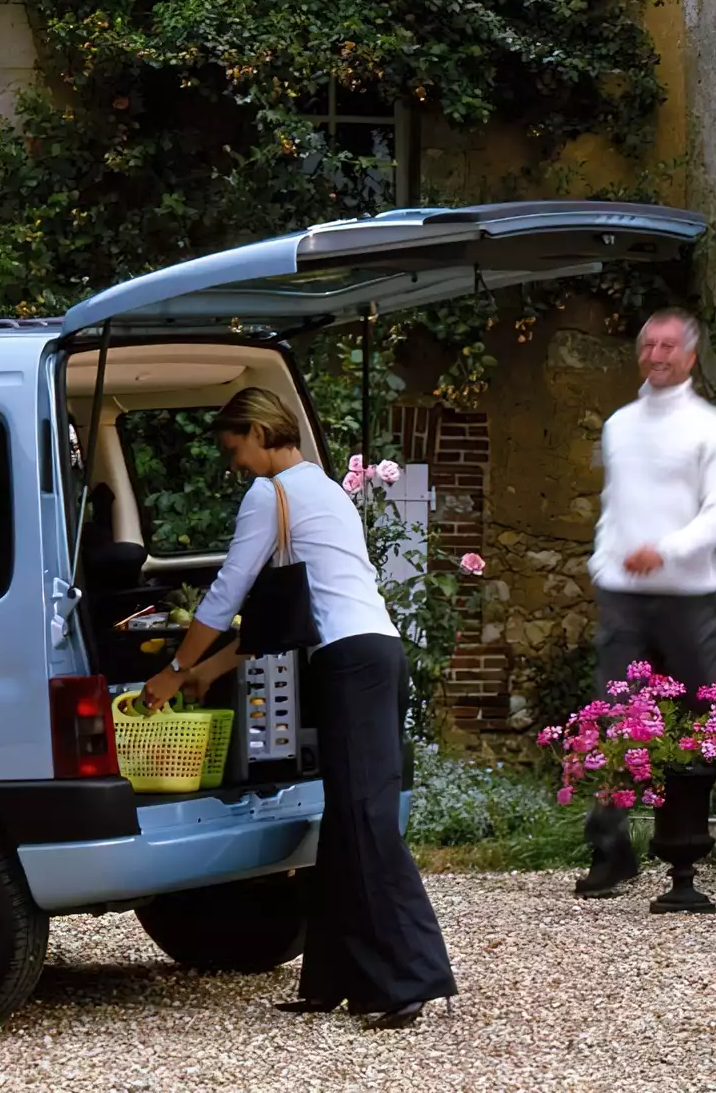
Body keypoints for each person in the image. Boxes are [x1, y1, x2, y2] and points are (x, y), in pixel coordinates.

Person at [142, 387, 456, 1029]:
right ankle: (331, 977)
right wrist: (204, 671)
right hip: (377, 653)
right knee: (346, 821)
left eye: (236, 449)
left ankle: (411, 977)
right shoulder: (325, 491)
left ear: (260, 433)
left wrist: (172, 673)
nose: (235, 465)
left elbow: (227, 593)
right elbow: (279, 617)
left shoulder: (271, 494)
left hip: (349, 663)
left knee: (366, 818)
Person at [576, 308, 716, 898]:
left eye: (669, 346)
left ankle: (690, 851)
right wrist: (603, 562)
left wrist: (666, 551)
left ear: (690, 356)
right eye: (649, 344)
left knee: (706, 719)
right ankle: (611, 850)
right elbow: (615, 507)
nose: (656, 355)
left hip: (689, 599)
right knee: (613, 719)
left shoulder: (711, 429)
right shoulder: (619, 425)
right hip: (623, 596)